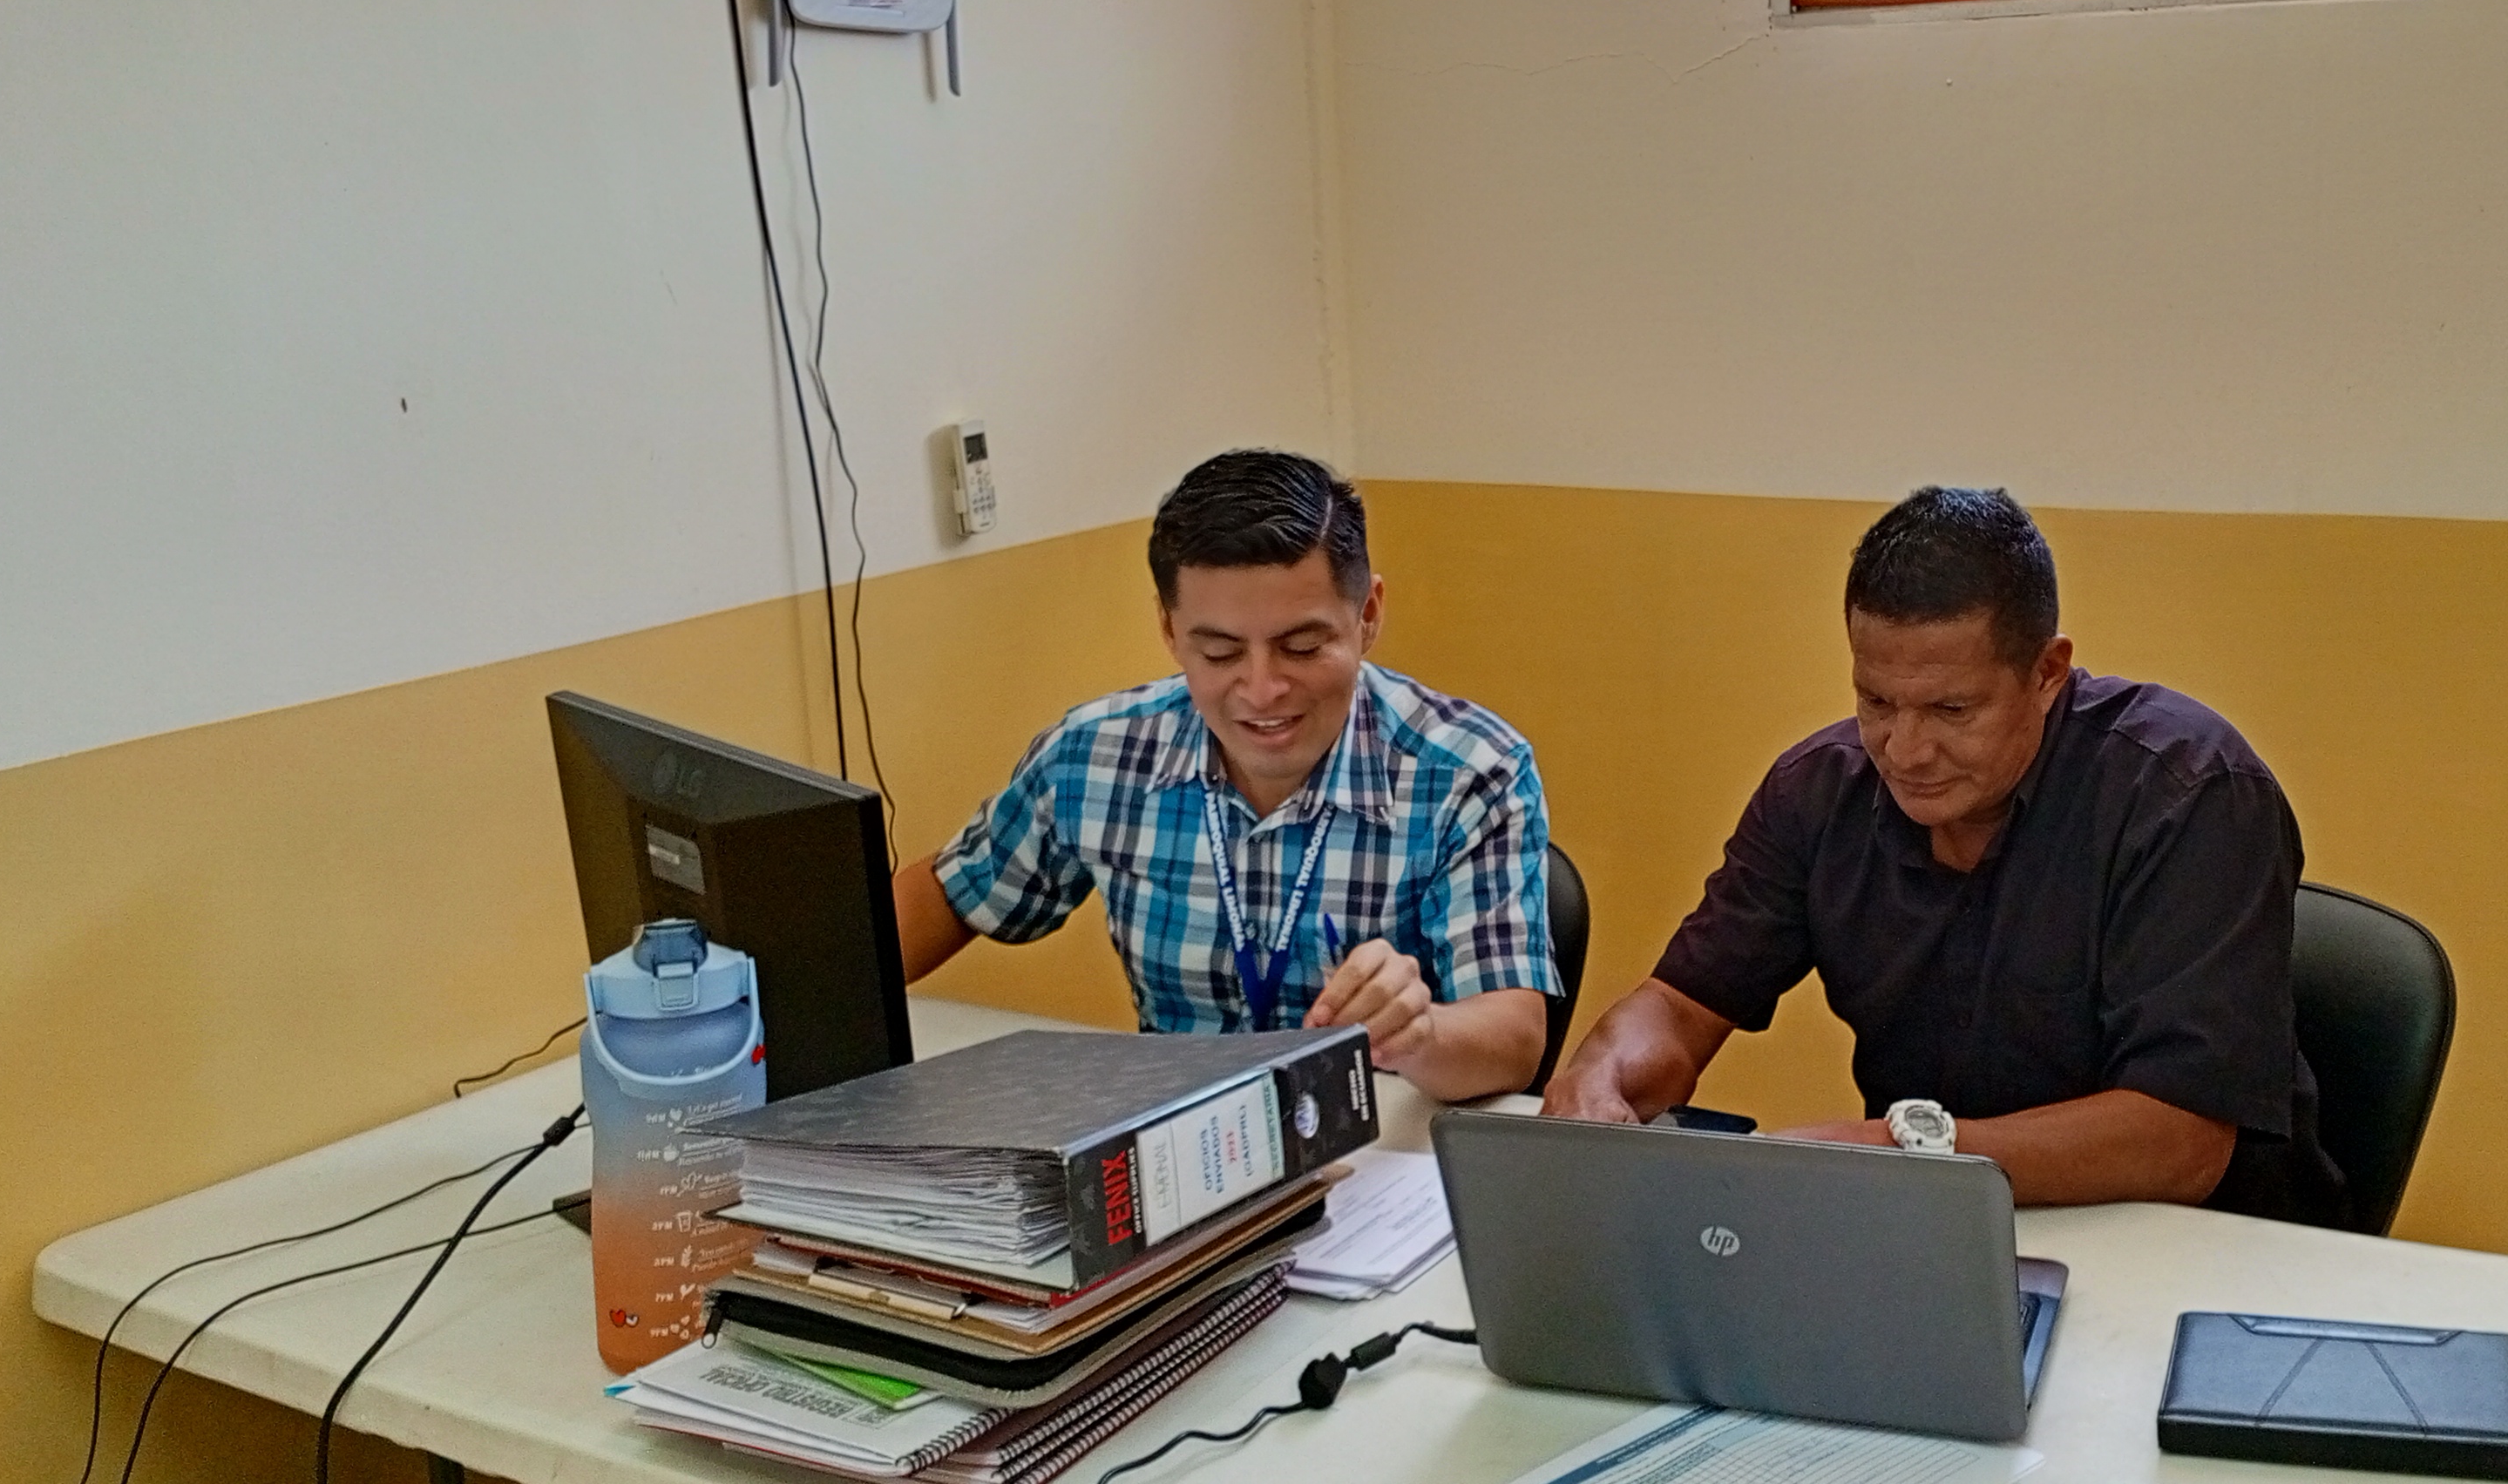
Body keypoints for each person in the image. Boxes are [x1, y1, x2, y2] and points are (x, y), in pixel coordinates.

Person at [1541, 486, 2345, 1222]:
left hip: (2209, 1252)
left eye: (1952, 710)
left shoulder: (2187, 793)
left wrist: (1893, 1151)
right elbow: (1681, 1007)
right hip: (1935, 1224)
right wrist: (1601, 1074)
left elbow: (2181, 1144)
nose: (1906, 750)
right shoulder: (1818, 792)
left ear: (2047, 673)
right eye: (1876, 701)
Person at [891, 450, 1557, 1102]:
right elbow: (948, 896)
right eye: (1219, 653)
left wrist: (1420, 1031)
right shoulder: (1094, 755)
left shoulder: (1468, 772)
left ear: (1368, 616)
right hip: (1175, 1135)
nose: (1262, 690)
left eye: (1302, 647)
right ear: (1169, 631)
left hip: (1381, 1139)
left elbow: (1516, 1040)